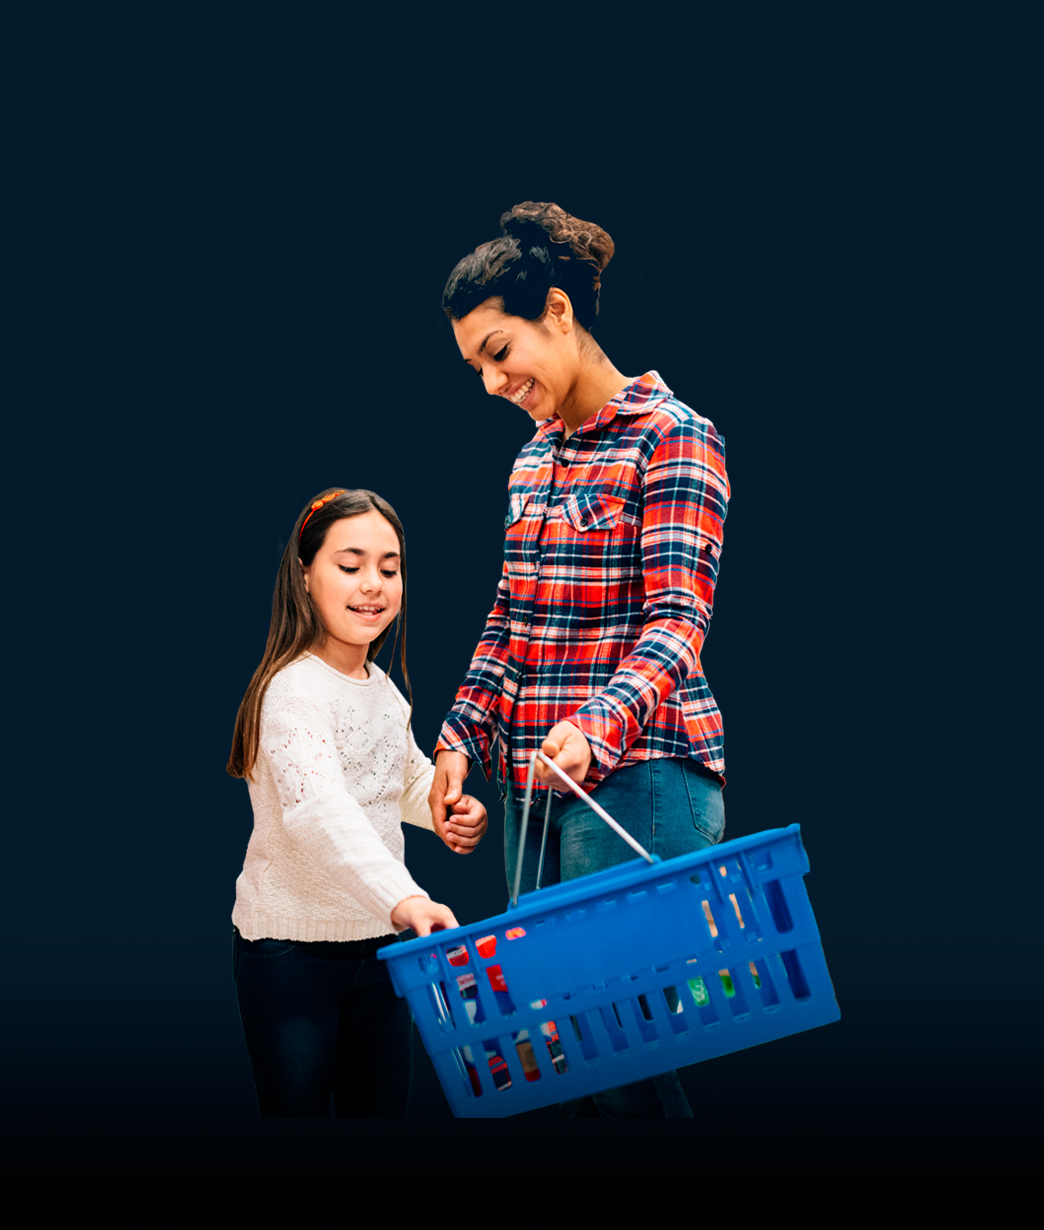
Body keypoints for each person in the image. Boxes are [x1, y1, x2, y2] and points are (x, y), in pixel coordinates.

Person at [429, 202, 730, 1120]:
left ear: (556, 311)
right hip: (538, 795)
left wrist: (597, 725)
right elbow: (509, 618)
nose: (490, 382)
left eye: (497, 350)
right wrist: (457, 736)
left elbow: (680, 621)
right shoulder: (530, 466)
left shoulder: (673, 435)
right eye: (475, 365)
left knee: (616, 1050)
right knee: (566, 1063)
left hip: (640, 778)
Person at [227, 487, 488, 1117]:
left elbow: (393, 781)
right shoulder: (292, 693)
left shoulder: (384, 691)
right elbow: (322, 810)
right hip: (290, 956)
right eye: (350, 566)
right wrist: (408, 899)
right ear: (305, 575)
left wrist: (444, 808)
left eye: (389, 568)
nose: (372, 584)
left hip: (380, 948)